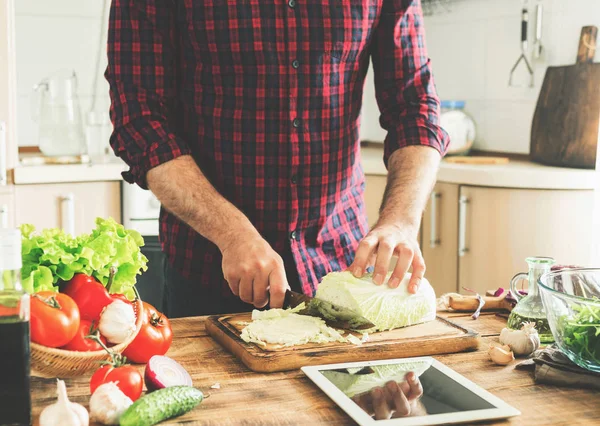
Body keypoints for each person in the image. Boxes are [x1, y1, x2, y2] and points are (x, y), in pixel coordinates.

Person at [106, 0, 450, 318]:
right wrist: (232, 234)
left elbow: (415, 108)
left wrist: (400, 222)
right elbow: (140, 121)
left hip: (344, 272)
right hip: (210, 271)